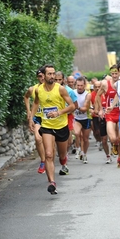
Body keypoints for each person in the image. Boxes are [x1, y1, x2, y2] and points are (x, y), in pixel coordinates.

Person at [29, 64, 75, 195]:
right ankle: (52, 183)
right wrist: (31, 119)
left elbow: (72, 106)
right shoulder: (38, 90)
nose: (52, 76)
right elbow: (36, 103)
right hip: (47, 126)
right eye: (49, 74)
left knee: (61, 155)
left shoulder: (60, 89)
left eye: (53, 73)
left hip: (61, 126)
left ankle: (63, 161)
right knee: (49, 154)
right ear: (43, 76)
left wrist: (58, 113)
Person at [95, 64, 120, 167]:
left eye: (117, 73)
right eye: (113, 73)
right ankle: (114, 145)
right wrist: (100, 110)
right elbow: (98, 96)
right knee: (112, 138)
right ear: (110, 74)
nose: (115, 75)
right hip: (110, 114)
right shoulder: (105, 84)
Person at [55, 71, 78, 174]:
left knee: (67, 142)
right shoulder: (49, 90)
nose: (58, 82)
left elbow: (75, 105)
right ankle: (62, 158)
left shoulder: (69, 91)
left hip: (67, 117)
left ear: (63, 80)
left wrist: (66, 112)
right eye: (56, 80)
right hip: (53, 119)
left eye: (60, 80)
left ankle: (64, 159)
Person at [23, 67, 46, 174]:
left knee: (50, 142)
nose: (42, 78)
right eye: (40, 76)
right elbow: (26, 97)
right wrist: (29, 112)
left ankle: (52, 159)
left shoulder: (53, 88)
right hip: (38, 117)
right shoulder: (33, 89)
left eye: (43, 76)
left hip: (50, 118)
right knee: (37, 138)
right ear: (37, 78)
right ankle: (43, 161)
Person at [73, 76, 92, 164]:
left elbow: (85, 108)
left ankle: (84, 154)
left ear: (84, 85)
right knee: (76, 133)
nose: (79, 87)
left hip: (86, 118)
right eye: (78, 85)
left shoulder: (88, 95)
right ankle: (78, 148)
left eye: (81, 85)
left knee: (85, 139)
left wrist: (76, 107)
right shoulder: (72, 93)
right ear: (75, 85)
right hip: (77, 118)